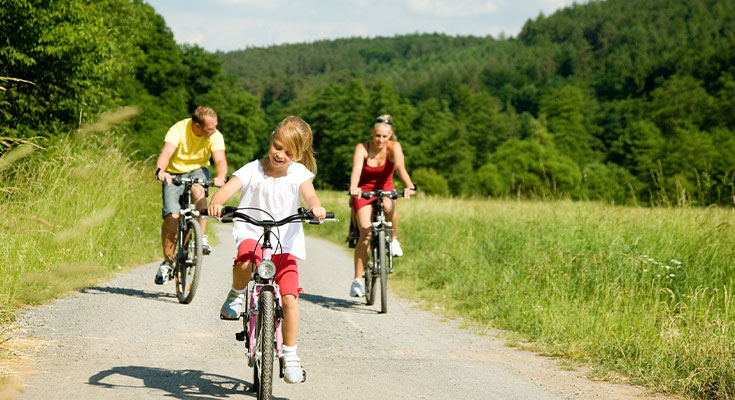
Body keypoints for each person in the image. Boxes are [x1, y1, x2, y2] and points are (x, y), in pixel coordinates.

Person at [206, 115, 326, 384]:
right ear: (271, 138)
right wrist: (217, 201)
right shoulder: (253, 169)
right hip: (252, 233)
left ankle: (291, 354)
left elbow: (310, 194)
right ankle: (237, 294)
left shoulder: (299, 174)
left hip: (286, 244)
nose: (279, 154)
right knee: (245, 264)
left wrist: (315, 207)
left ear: (298, 154)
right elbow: (228, 189)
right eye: (277, 146)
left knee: (291, 299)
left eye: (287, 152)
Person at [154, 106, 228, 285]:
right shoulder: (178, 129)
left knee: (198, 190)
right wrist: (160, 170)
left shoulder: (215, 135)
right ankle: (167, 262)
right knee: (172, 216)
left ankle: (200, 237)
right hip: (173, 173)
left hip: (198, 171)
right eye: (210, 128)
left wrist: (220, 176)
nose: (214, 130)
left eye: (215, 126)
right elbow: (166, 152)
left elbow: (220, 159)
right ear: (196, 126)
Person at [348, 114, 415, 297]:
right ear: (372, 133)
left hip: (386, 189)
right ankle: (357, 280)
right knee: (366, 233)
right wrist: (354, 187)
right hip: (364, 191)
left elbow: (400, 168)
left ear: (390, 136)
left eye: (385, 136)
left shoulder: (394, 147)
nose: (380, 140)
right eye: (377, 135)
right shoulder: (362, 148)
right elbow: (356, 170)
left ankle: (393, 239)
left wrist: (409, 186)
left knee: (389, 206)